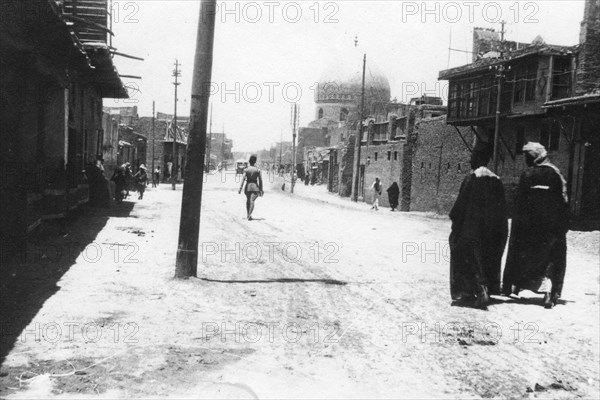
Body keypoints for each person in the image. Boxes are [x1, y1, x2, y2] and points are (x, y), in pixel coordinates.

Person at [502, 142, 569, 309]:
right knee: (551, 260)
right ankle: (549, 294)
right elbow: (563, 202)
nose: (526, 160)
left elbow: (520, 202)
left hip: (530, 228)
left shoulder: (528, 174)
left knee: (528, 257)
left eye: (527, 157)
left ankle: (516, 286)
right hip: (551, 228)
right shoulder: (556, 174)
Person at [449, 142, 508, 309]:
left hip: (472, 229)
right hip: (492, 230)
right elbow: (502, 209)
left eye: (473, 156)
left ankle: (473, 290)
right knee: (487, 257)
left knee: (462, 253)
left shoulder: (471, 179)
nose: (470, 160)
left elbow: (459, 207)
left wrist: (455, 223)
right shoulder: (496, 181)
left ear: (478, 158)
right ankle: (487, 288)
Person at [238, 155, 263, 221]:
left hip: (248, 186)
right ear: (255, 162)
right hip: (255, 187)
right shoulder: (257, 170)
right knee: (252, 201)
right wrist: (261, 190)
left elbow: (243, 179)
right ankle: (249, 215)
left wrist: (240, 188)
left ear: (249, 161)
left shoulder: (246, 170)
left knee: (248, 201)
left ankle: (248, 215)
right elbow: (260, 180)